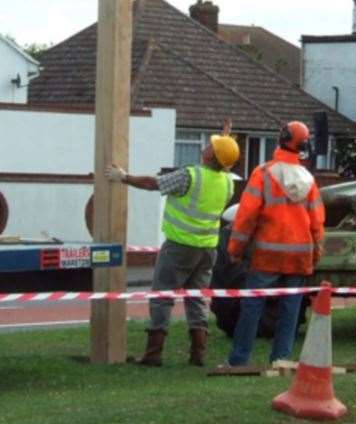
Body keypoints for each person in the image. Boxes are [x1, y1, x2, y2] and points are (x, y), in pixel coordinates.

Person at [106, 123, 239, 367]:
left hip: (180, 246)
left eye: (211, 145)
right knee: (197, 298)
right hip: (208, 249)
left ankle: (153, 354)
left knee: (161, 296)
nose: (206, 145)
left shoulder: (190, 175)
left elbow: (154, 183)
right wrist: (226, 139)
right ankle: (198, 354)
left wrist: (123, 178)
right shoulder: (228, 181)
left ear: (211, 155)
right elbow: (223, 162)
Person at [223, 120, 325, 368]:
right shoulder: (308, 179)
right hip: (299, 256)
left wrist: (235, 249)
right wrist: (316, 252)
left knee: (252, 306)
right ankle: (281, 359)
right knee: (290, 310)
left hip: (267, 255)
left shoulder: (264, 173)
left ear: (282, 139)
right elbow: (317, 220)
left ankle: (239, 359)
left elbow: (246, 216)